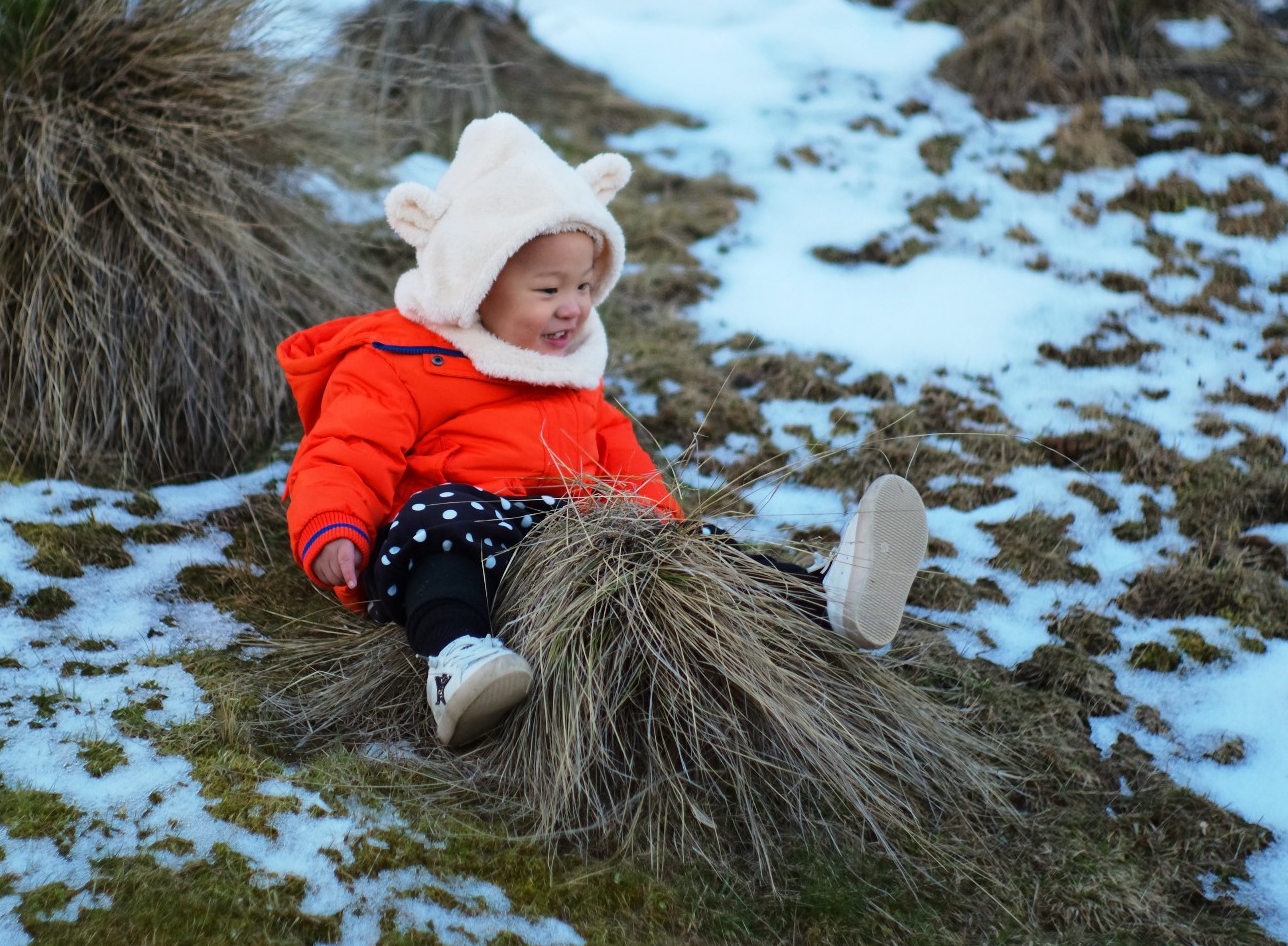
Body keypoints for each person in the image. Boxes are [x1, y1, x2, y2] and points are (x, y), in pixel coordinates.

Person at [277, 113, 928, 747]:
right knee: (435, 523)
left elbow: (624, 465)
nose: (575, 307)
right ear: (474, 283)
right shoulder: (398, 360)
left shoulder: (571, 374)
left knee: (676, 545)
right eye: (548, 288)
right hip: (448, 544)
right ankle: (459, 663)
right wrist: (334, 528)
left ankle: (819, 597)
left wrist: (667, 540)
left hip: (557, 542)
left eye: (586, 284)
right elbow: (345, 449)